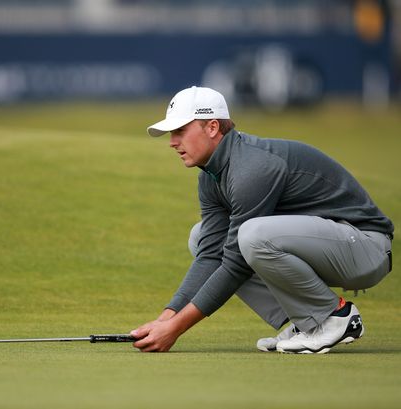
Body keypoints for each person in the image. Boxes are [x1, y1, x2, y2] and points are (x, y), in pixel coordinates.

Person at [130, 86, 394, 354]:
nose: (173, 142)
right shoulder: (210, 176)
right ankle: (308, 323)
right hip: (332, 245)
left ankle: (333, 317)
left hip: (365, 248)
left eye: (180, 131)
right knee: (201, 238)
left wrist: (175, 330)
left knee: (252, 236)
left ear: (211, 127)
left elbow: (235, 264)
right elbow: (211, 255)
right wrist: (163, 320)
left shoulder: (251, 168)